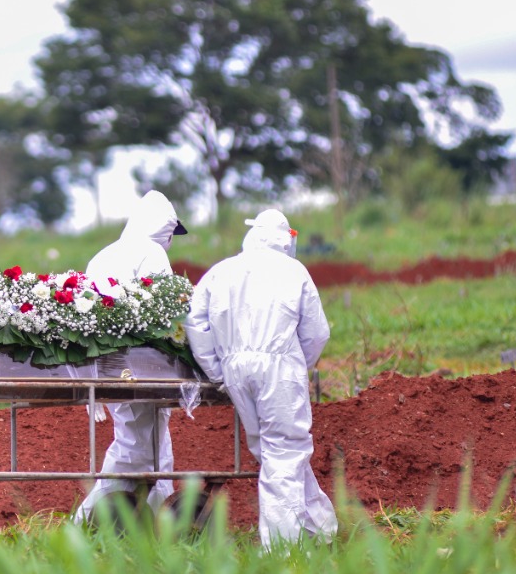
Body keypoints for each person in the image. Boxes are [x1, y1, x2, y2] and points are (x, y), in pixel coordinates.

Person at [185, 209, 337, 548]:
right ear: (285, 237)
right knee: (285, 450)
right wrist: (299, 365)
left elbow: (195, 325)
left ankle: (320, 528)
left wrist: (217, 371)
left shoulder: (220, 271)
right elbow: (316, 332)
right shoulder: (293, 270)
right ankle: (285, 549)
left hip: (235, 368)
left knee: (272, 451)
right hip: (279, 367)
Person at [72, 190, 188, 524]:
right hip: (141, 366)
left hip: (105, 363)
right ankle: (86, 522)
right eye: (169, 235)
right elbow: (167, 309)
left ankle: (157, 518)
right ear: (162, 231)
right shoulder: (151, 252)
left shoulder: (103, 254)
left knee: (151, 442)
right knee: (137, 447)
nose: (169, 242)